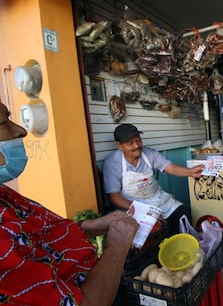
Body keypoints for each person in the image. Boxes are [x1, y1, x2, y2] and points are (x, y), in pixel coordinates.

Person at [0, 102, 139, 305]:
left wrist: (92, 226)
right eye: (3, 122)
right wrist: (117, 247)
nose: (21, 131)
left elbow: (42, 236)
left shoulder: (4, 194)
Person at [103, 124, 204, 234]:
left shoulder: (149, 154)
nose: (136, 145)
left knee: (182, 216)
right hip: (132, 205)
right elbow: (115, 198)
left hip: (157, 199)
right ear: (119, 145)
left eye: (138, 140)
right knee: (155, 232)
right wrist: (144, 211)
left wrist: (190, 172)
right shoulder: (113, 162)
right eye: (130, 143)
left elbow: (171, 168)